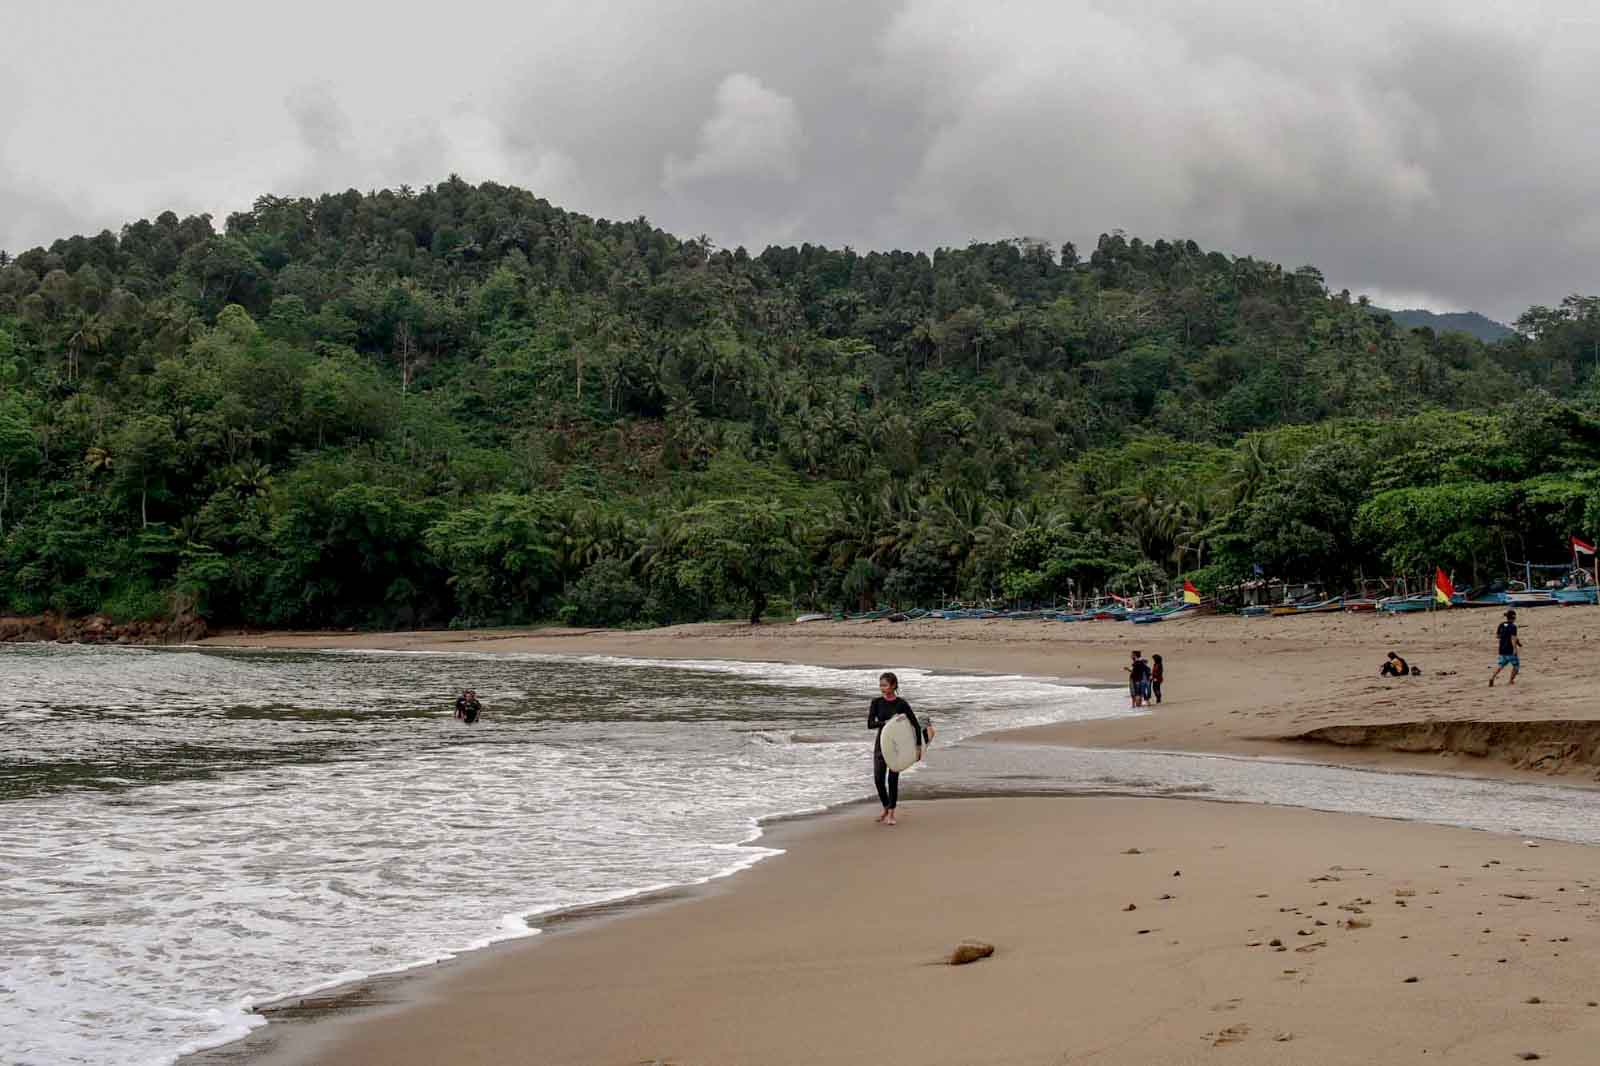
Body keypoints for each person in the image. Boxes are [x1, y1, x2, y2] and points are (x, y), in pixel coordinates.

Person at [868, 672, 922, 826]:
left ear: (893, 685)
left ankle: (891, 813)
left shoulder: (901, 704)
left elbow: (915, 725)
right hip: (881, 744)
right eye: (880, 685)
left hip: (897, 746)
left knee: (892, 779)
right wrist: (886, 723)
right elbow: (870, 724)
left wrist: (917, 748)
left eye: (885, 685)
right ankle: (886, 807)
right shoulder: (876, 702)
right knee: (878, 779)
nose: (882, 688)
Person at [1490, 610, 1521, 687]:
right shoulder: (1513, 627)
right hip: (1510, 650)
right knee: (1516, 666)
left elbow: (1497, 636)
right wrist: (1515, 649)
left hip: (1502, 649)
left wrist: (1504, 636)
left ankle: (1492, 677)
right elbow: (1513, 638)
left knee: (1500, 665)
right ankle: (1511, 680)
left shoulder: (1501, 624)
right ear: (1514, 617)